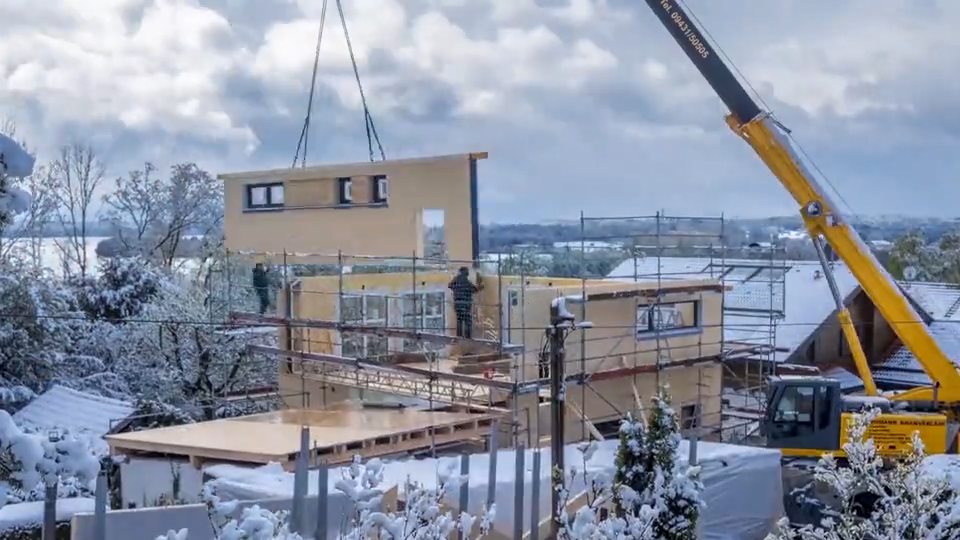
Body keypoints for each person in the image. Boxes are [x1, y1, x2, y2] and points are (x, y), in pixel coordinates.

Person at [449, 266, 482, 338]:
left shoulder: (456, 281)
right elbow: (475, 290)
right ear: (466, 273)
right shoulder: (467, 282)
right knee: (467, 321)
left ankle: (459, 337)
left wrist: (455, 278)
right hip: (466, 305)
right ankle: (467, 338)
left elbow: (450, 285)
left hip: (458, 305)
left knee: (459, 321)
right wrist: (481, 285)